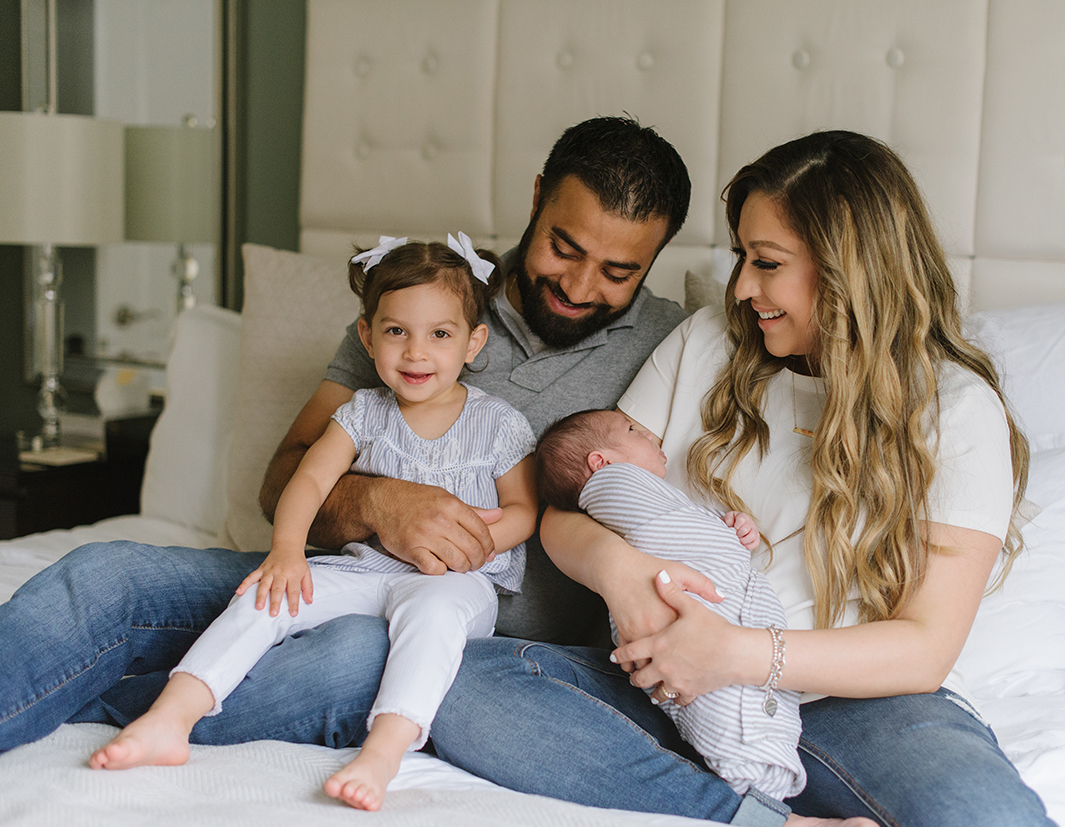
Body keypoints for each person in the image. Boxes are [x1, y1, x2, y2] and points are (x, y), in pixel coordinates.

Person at [0, 116, 689, 759]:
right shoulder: (417, 305)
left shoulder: (671, 347)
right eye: (563, 248)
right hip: (341, 570)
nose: (579, 284)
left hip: (477, 633)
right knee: (105, 578)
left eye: (618, 271)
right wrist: (381, 503)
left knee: (348, 658)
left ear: (655, 258)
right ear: (537, 198)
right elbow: (284, 479)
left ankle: (113, 701)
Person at [428, 131, 1055, 827]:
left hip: (849, 704)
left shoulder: (954, 409)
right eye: (743, 257)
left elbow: (925, 648)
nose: (742, 287)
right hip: (665, 682)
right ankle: (754, 818)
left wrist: (732, 654)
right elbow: (570, 508)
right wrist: (621, 574)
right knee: (458, 682)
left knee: (987, 815)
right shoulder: (707, 343)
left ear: (847, 269)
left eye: (767, 262)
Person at [86, 236, 538, 811]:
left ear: (474, 342)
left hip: (455, 581)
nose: (416, 352)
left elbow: (525, 510)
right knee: (265, 596)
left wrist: (474, 547)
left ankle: (383, 751)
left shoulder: (497, 424)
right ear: (367, 335)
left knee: (433, 615)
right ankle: (170, 718)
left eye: (440, 334)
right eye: (397, 331)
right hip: (367, 568)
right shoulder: (362, 413)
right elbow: (306, 482)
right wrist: (285, 553)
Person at [535, 409, 809, 805]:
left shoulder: (641, 498)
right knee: (728, 713)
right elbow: (670, 531)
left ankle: (752, 793)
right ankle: (757, 791)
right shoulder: (614, 484)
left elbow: (680, 526)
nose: (650, 435)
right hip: (688, 620)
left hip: (737, 647)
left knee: (732, 708)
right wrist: (720, 533)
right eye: (632, 430)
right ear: (601, 462)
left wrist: (727, 525)